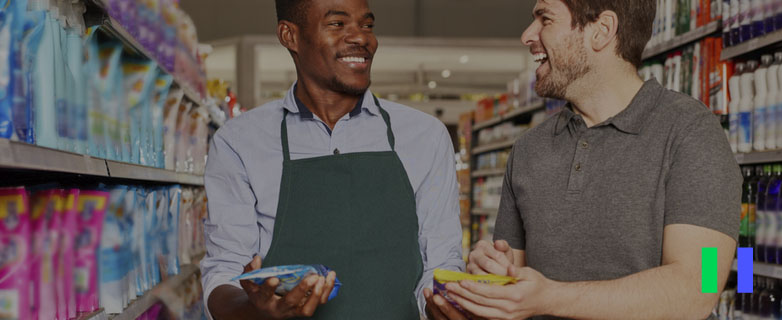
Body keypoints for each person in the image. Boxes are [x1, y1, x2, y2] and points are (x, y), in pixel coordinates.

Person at [425, 0, 741, 319]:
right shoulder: (527, 150)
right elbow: (516, 286)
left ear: (601, 31)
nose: (526, 35)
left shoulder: (695, 134)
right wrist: (488, 281)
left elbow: (699, 289)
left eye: (544, 19)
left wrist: (550, 297)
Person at [201, 0, 464, 319]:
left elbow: (440, 263)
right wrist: (257, 311)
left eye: (367, 25)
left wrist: (445, 307)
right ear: (290, 36)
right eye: (338, 24)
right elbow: (223, 274)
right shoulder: (239, 142)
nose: (361, 38)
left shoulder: (425, 137)